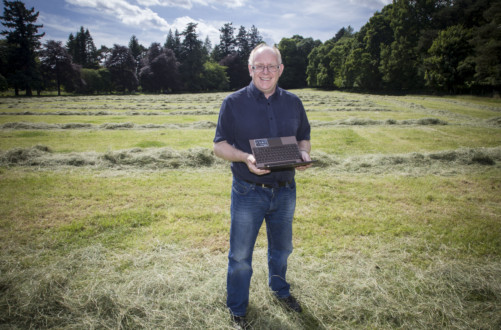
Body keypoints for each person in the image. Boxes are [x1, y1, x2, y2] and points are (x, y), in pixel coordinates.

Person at [213, 43, 312, 328]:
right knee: (241, 255)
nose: (265, 71)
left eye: (272, 66)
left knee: (282, 249)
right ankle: (237, 309)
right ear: (250, 69)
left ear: (280, 69)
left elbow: (303, 136)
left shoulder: (293, 102)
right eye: (260, 66)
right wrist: (245, 157)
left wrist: (304, 153)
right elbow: (219, 146)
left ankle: (280, 291)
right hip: (248, 191)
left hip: (285, 190)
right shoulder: (233, 103)